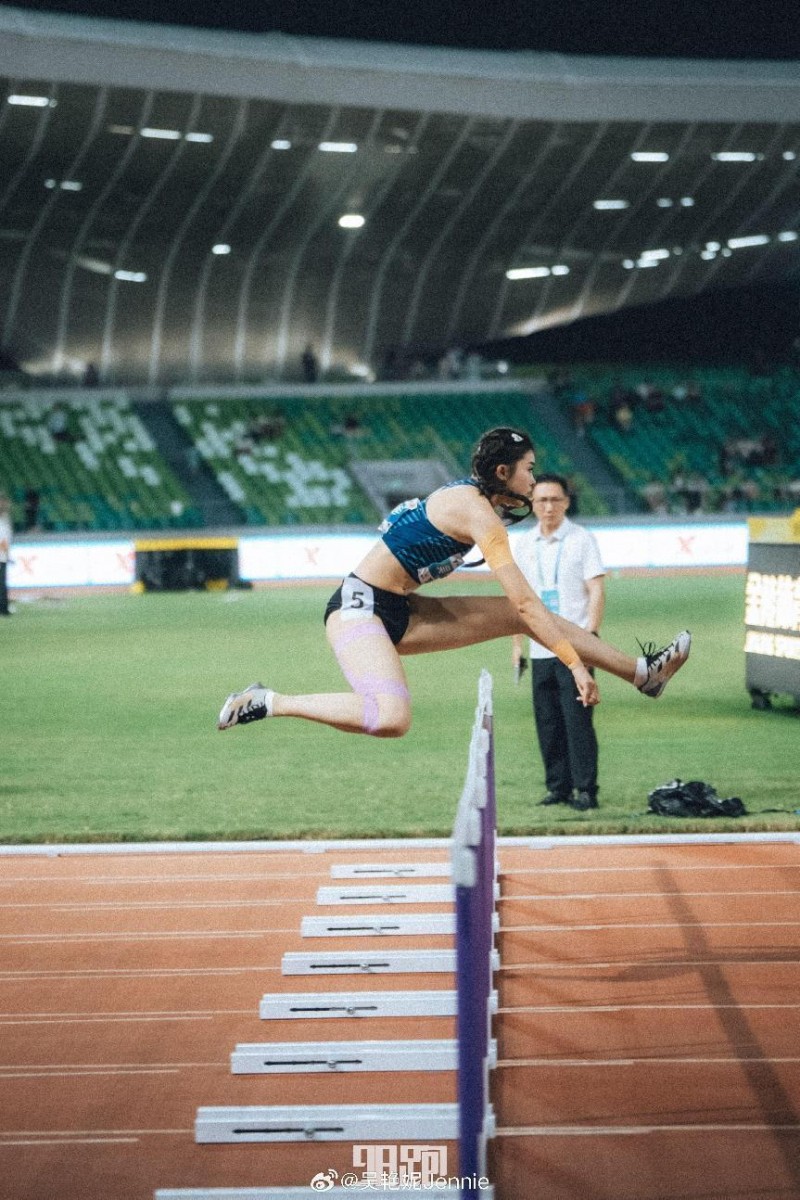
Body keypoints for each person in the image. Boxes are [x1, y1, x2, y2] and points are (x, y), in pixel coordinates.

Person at [218, 427, 691, 736]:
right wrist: (572, 664)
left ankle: (642, 674)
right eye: (529, 469)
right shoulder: (475, 512)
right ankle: (271, 700)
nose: (534, 479)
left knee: (516, 617)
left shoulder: (479, 505)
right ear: (503, 472)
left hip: (401, 608)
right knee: (390, 718)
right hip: (357, 609)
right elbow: (525, 603)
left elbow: (522, 612)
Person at [511, 473, 605, 811]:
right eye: (541, 500)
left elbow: (595, 589)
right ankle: (558, 787)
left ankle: (585, 790)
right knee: (547, 721)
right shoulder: (523, 544)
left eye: (555, 500)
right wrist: (517, 646)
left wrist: (591, 636)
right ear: (531, 504)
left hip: (576, 648)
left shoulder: (581, 539)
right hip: (540, 647)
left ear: (566, 502)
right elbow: (518, 600)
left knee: (577, 720)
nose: (548, 507)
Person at [0, 493, 12, 616]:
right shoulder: (2, 522)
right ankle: (3, 608)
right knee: (2, 584)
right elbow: (3, 541)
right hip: (1, 557)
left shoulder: (4, 520)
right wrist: (7, 555)